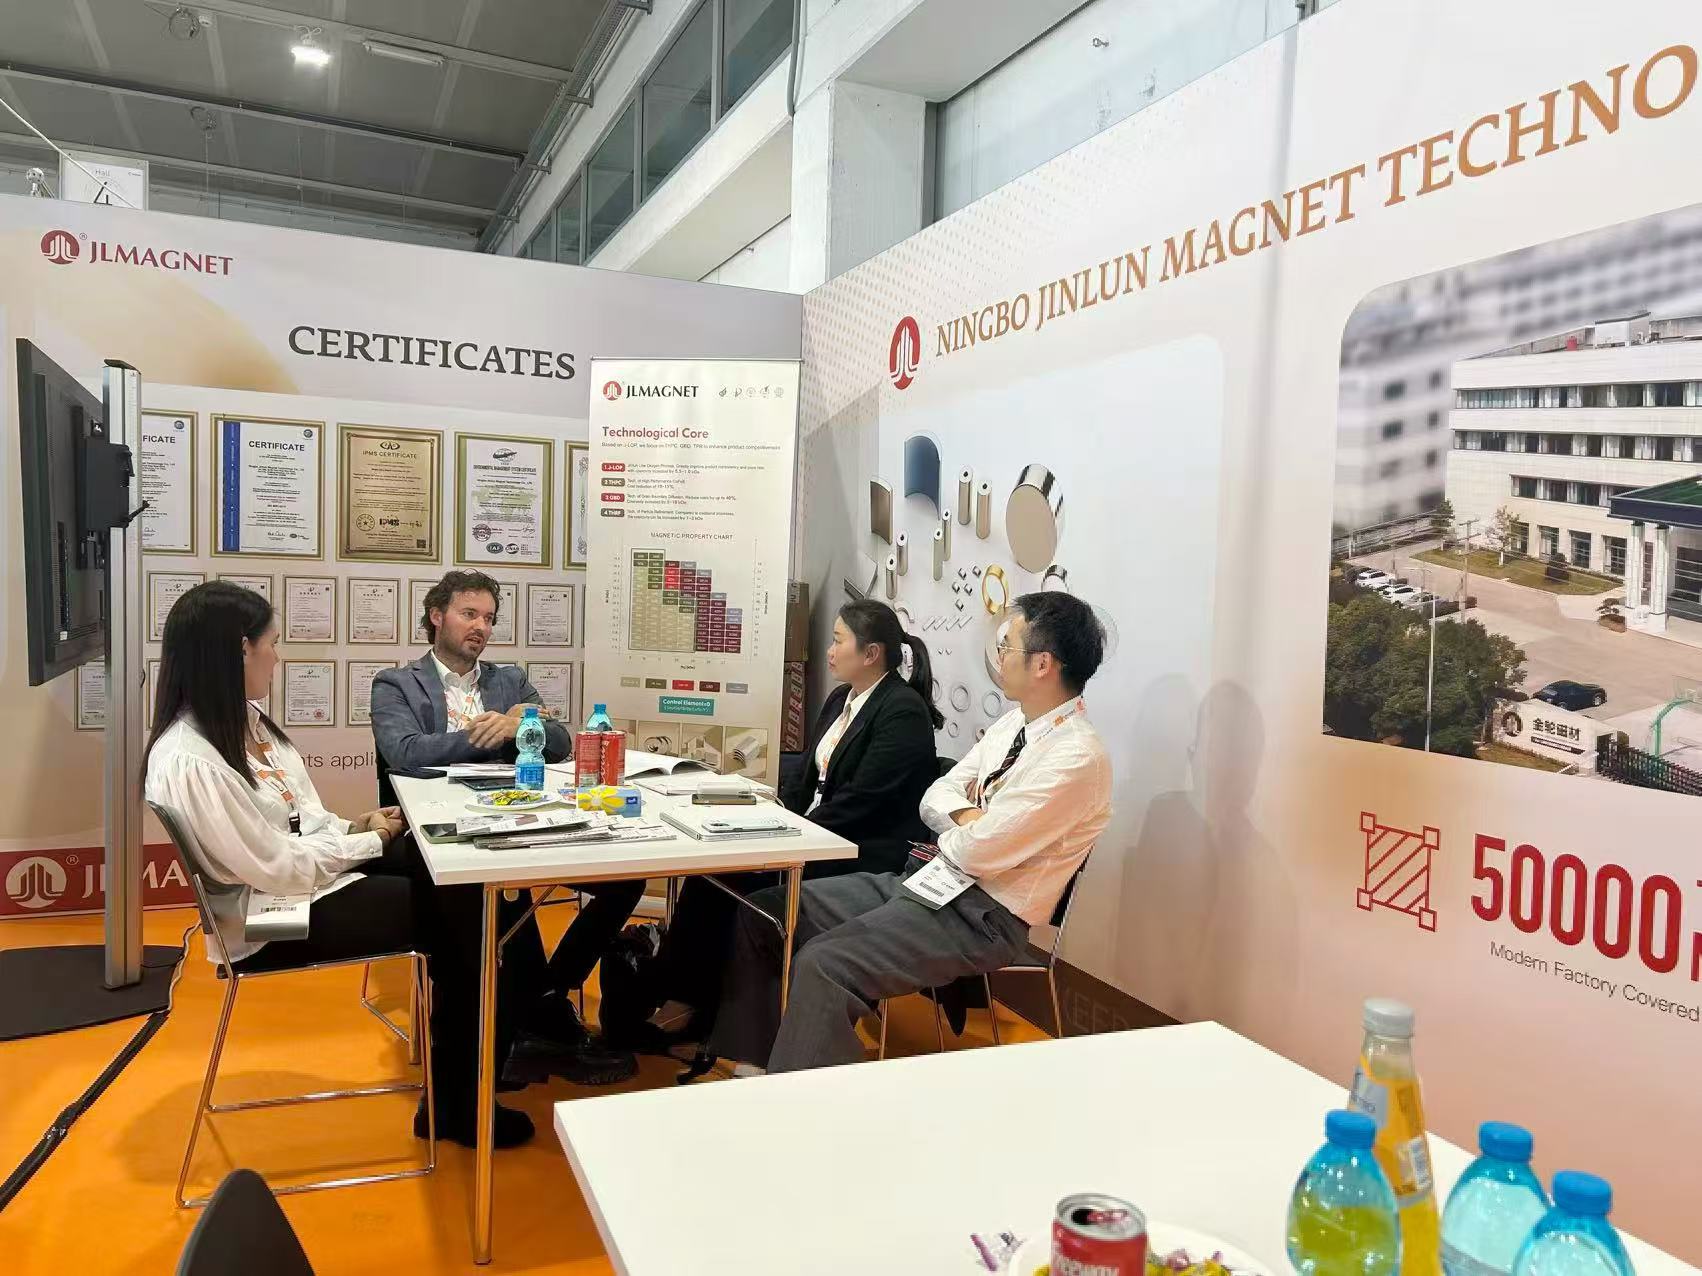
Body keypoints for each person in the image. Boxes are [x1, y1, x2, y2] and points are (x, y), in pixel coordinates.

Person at [143, 581, 536, 1148]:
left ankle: (489, 1052)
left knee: (461, 870)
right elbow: (276, 866)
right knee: (467, 914)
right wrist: (367, 842)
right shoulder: (191, 759)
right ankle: (461, 1102)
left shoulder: (245, 723)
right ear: (240, 650)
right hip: (267, 919)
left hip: (304, 880)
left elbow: (299, 821)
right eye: (271, 645)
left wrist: (355, 827)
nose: (277, 658)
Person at [707, 591, 1112, 1074]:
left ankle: (803, 1100)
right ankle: (755, 1065)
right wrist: (968, 819)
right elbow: (935, 795)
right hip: (927, 879)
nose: (999, 657)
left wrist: (962, 829)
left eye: (1007, 646)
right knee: (765, 911)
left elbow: (979, 852)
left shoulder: (1075, 757)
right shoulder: (1013, 725)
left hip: (983, 915)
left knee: (825, 964)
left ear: (1042, 663)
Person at [608, 600, 941, 1049]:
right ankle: (686, 998)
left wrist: (795, 832)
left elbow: (864, 801)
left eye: (838, 641)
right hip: (816, 834)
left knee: (723, 885)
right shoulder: (842, 699)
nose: (829, 651)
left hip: (858, 850)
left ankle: (685, 1002)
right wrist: (775, 814)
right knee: (711, 875)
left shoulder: (903, 711)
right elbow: (806, 775)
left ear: (871, 653)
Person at [369, 569, 641, 1086]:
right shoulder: (396, 684)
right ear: (436, 616)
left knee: (624, 879)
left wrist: (521, 724)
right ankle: (530, 1021)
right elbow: (405, 754)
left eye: (489, 618)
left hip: (519, 815)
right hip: (436, 831)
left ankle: (546, 996)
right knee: (503, 888)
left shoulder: (509, 680)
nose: (481, 627)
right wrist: (494, 732)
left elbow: (559, 742)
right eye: (469, 614)